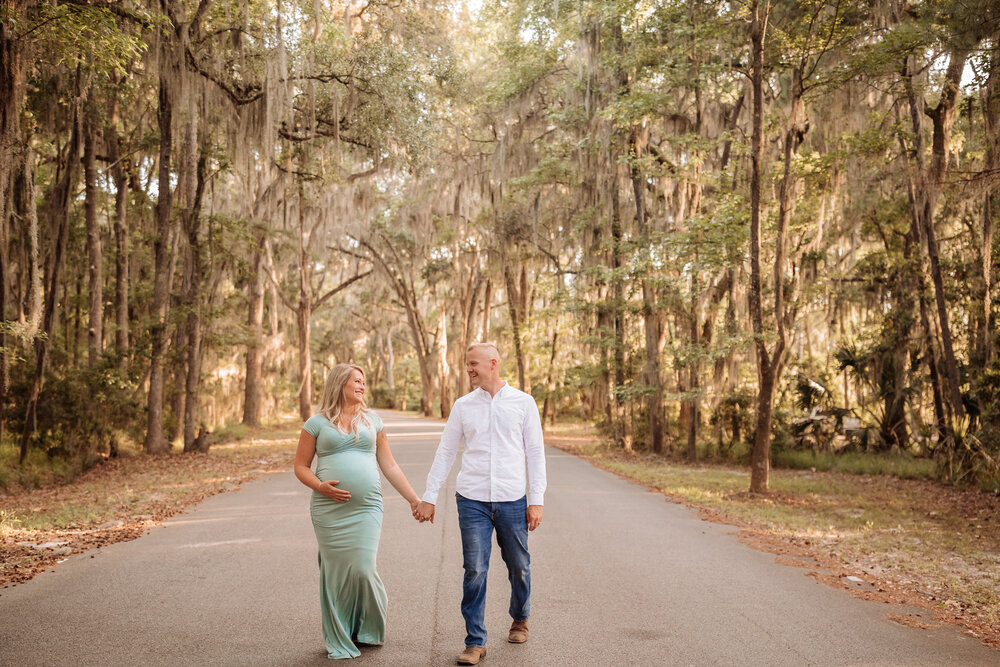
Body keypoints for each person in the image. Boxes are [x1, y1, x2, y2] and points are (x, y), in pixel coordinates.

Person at [415, 343, 546, 666]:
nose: (469, 369)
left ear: (493, 363)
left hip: (513, 499)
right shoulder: (463, 406)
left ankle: (520, 616)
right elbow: (446, 451)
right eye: (467, 364)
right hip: (472, 498)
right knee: (475, 569)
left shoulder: (523, 403)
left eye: (473, 364)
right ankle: (475, 641)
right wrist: (429, 496)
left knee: (519, 565)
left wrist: (536, 500)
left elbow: (535, 452)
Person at [294, 363, 425, 660]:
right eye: (357, 381)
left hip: (367, 507)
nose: (362, 386)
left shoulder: (373, 421)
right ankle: (340, 634)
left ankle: (368, 626)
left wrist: (414, 500)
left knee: (363, 568)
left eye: (364, 381)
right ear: (340, 383)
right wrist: (320, 486)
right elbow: (300, 467)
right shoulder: (316, 423)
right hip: (328, 508)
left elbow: (389, 465)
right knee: (336, 572)